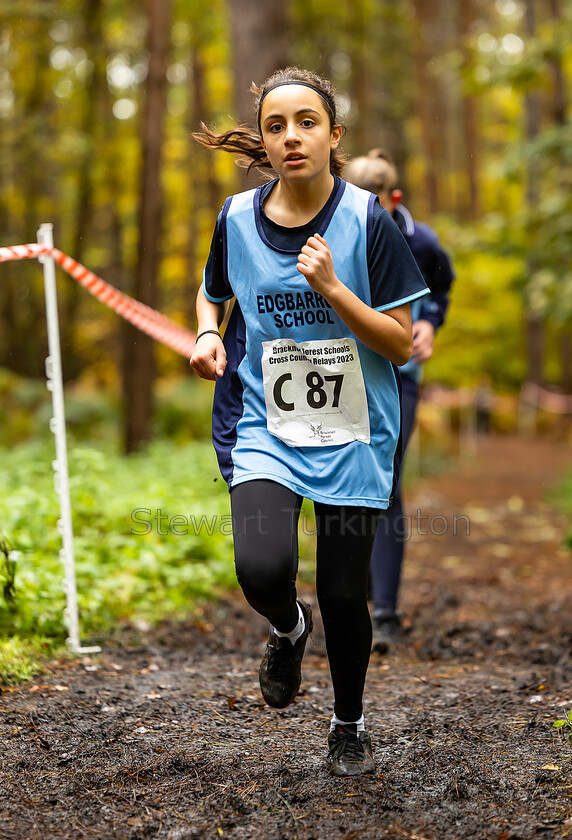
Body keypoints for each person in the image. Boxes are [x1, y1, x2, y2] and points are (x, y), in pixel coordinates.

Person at [189, 68, 428, 777]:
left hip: (355, 430)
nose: (290, 137)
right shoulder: (235, 218)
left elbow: (398, 340)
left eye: (306, 122)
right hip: (265, 422)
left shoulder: (366, 220)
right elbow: (210, 298)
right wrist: (207, 337)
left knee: (344, 593)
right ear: (263, 140)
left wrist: (330, 287)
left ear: (333, 136)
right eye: (275, 126)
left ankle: (347, 724)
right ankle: (288, 631)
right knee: (261, 569)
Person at [344, 150, 455, 653]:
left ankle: (384, 610)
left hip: (400, 373)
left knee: (387, 480)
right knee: (347, 480)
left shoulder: (421, 240)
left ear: (395, 199)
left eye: (377, 206)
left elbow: (440, 287)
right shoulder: (333, 227)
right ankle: (353, 591)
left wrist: (430, 321)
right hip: (339, 373)